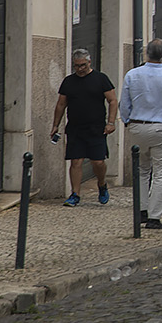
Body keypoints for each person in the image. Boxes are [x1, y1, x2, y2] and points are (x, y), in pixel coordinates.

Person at [119, 39, 162, 230]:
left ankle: (141, 211)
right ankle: (154, 217)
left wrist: (128, 122)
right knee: (161, 174)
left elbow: (125, 103)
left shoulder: (132, 75)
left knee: (141, 170)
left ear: (146, 53)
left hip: (137, 126)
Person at [51, 48, 118, 207]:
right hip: (75, 128)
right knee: (76, 161)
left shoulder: (101, 79)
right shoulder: (69, 81)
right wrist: (55, 125)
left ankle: (101, 184)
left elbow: (113, 101)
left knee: (98, 162)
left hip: (96, 128)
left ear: (89, 62)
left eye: (82, 65)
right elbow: (61, 104)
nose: (80, 69)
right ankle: (75, 194)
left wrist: (111, 122)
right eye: (76, 66)